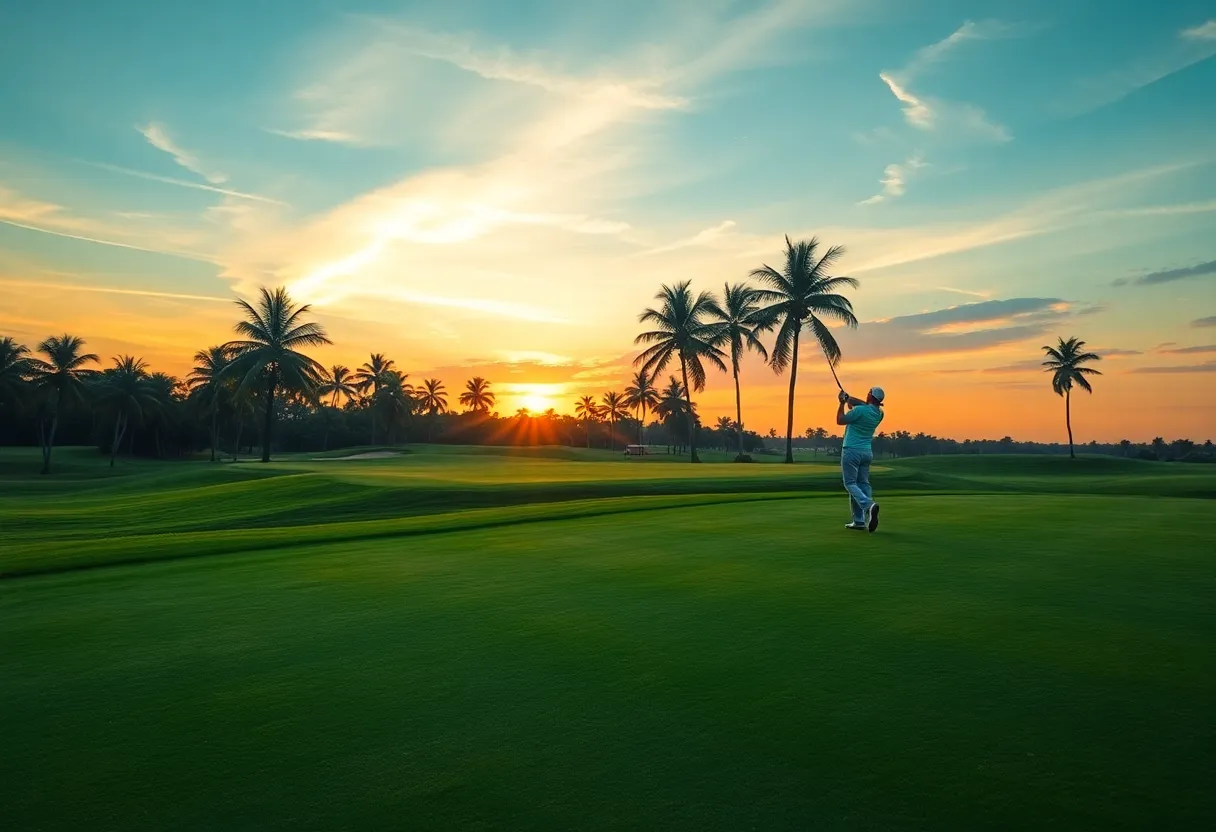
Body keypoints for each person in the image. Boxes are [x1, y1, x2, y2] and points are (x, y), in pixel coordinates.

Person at [836, 386, 885, 532]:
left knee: (850, 483)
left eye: (868, 393)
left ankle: (868, 506)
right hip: (866, 452)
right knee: (862, 483)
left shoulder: (859, 411)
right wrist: (848, 398)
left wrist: (841, 403)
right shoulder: (879, 413)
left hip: (851, 450)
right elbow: (862, 405)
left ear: (870, 396)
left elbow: (840, 420)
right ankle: (859, 521)